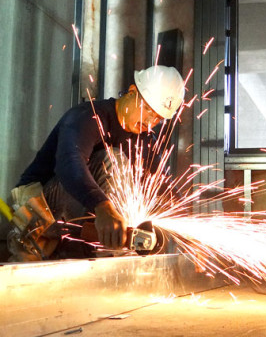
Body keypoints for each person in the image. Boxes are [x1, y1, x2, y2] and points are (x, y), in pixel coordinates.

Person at [8, 65, 185, 259]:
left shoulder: (144, 139)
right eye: (148, 110)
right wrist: (103, 207)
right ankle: (112, 257)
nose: (150, 122)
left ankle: (106, 253)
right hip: (35, 211)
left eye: (158, 118)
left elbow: (164, 187)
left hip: (77, 218)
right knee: (112, 159)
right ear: (133, 92)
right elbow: (69, 164)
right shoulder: (87, 116)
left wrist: (188, 233)